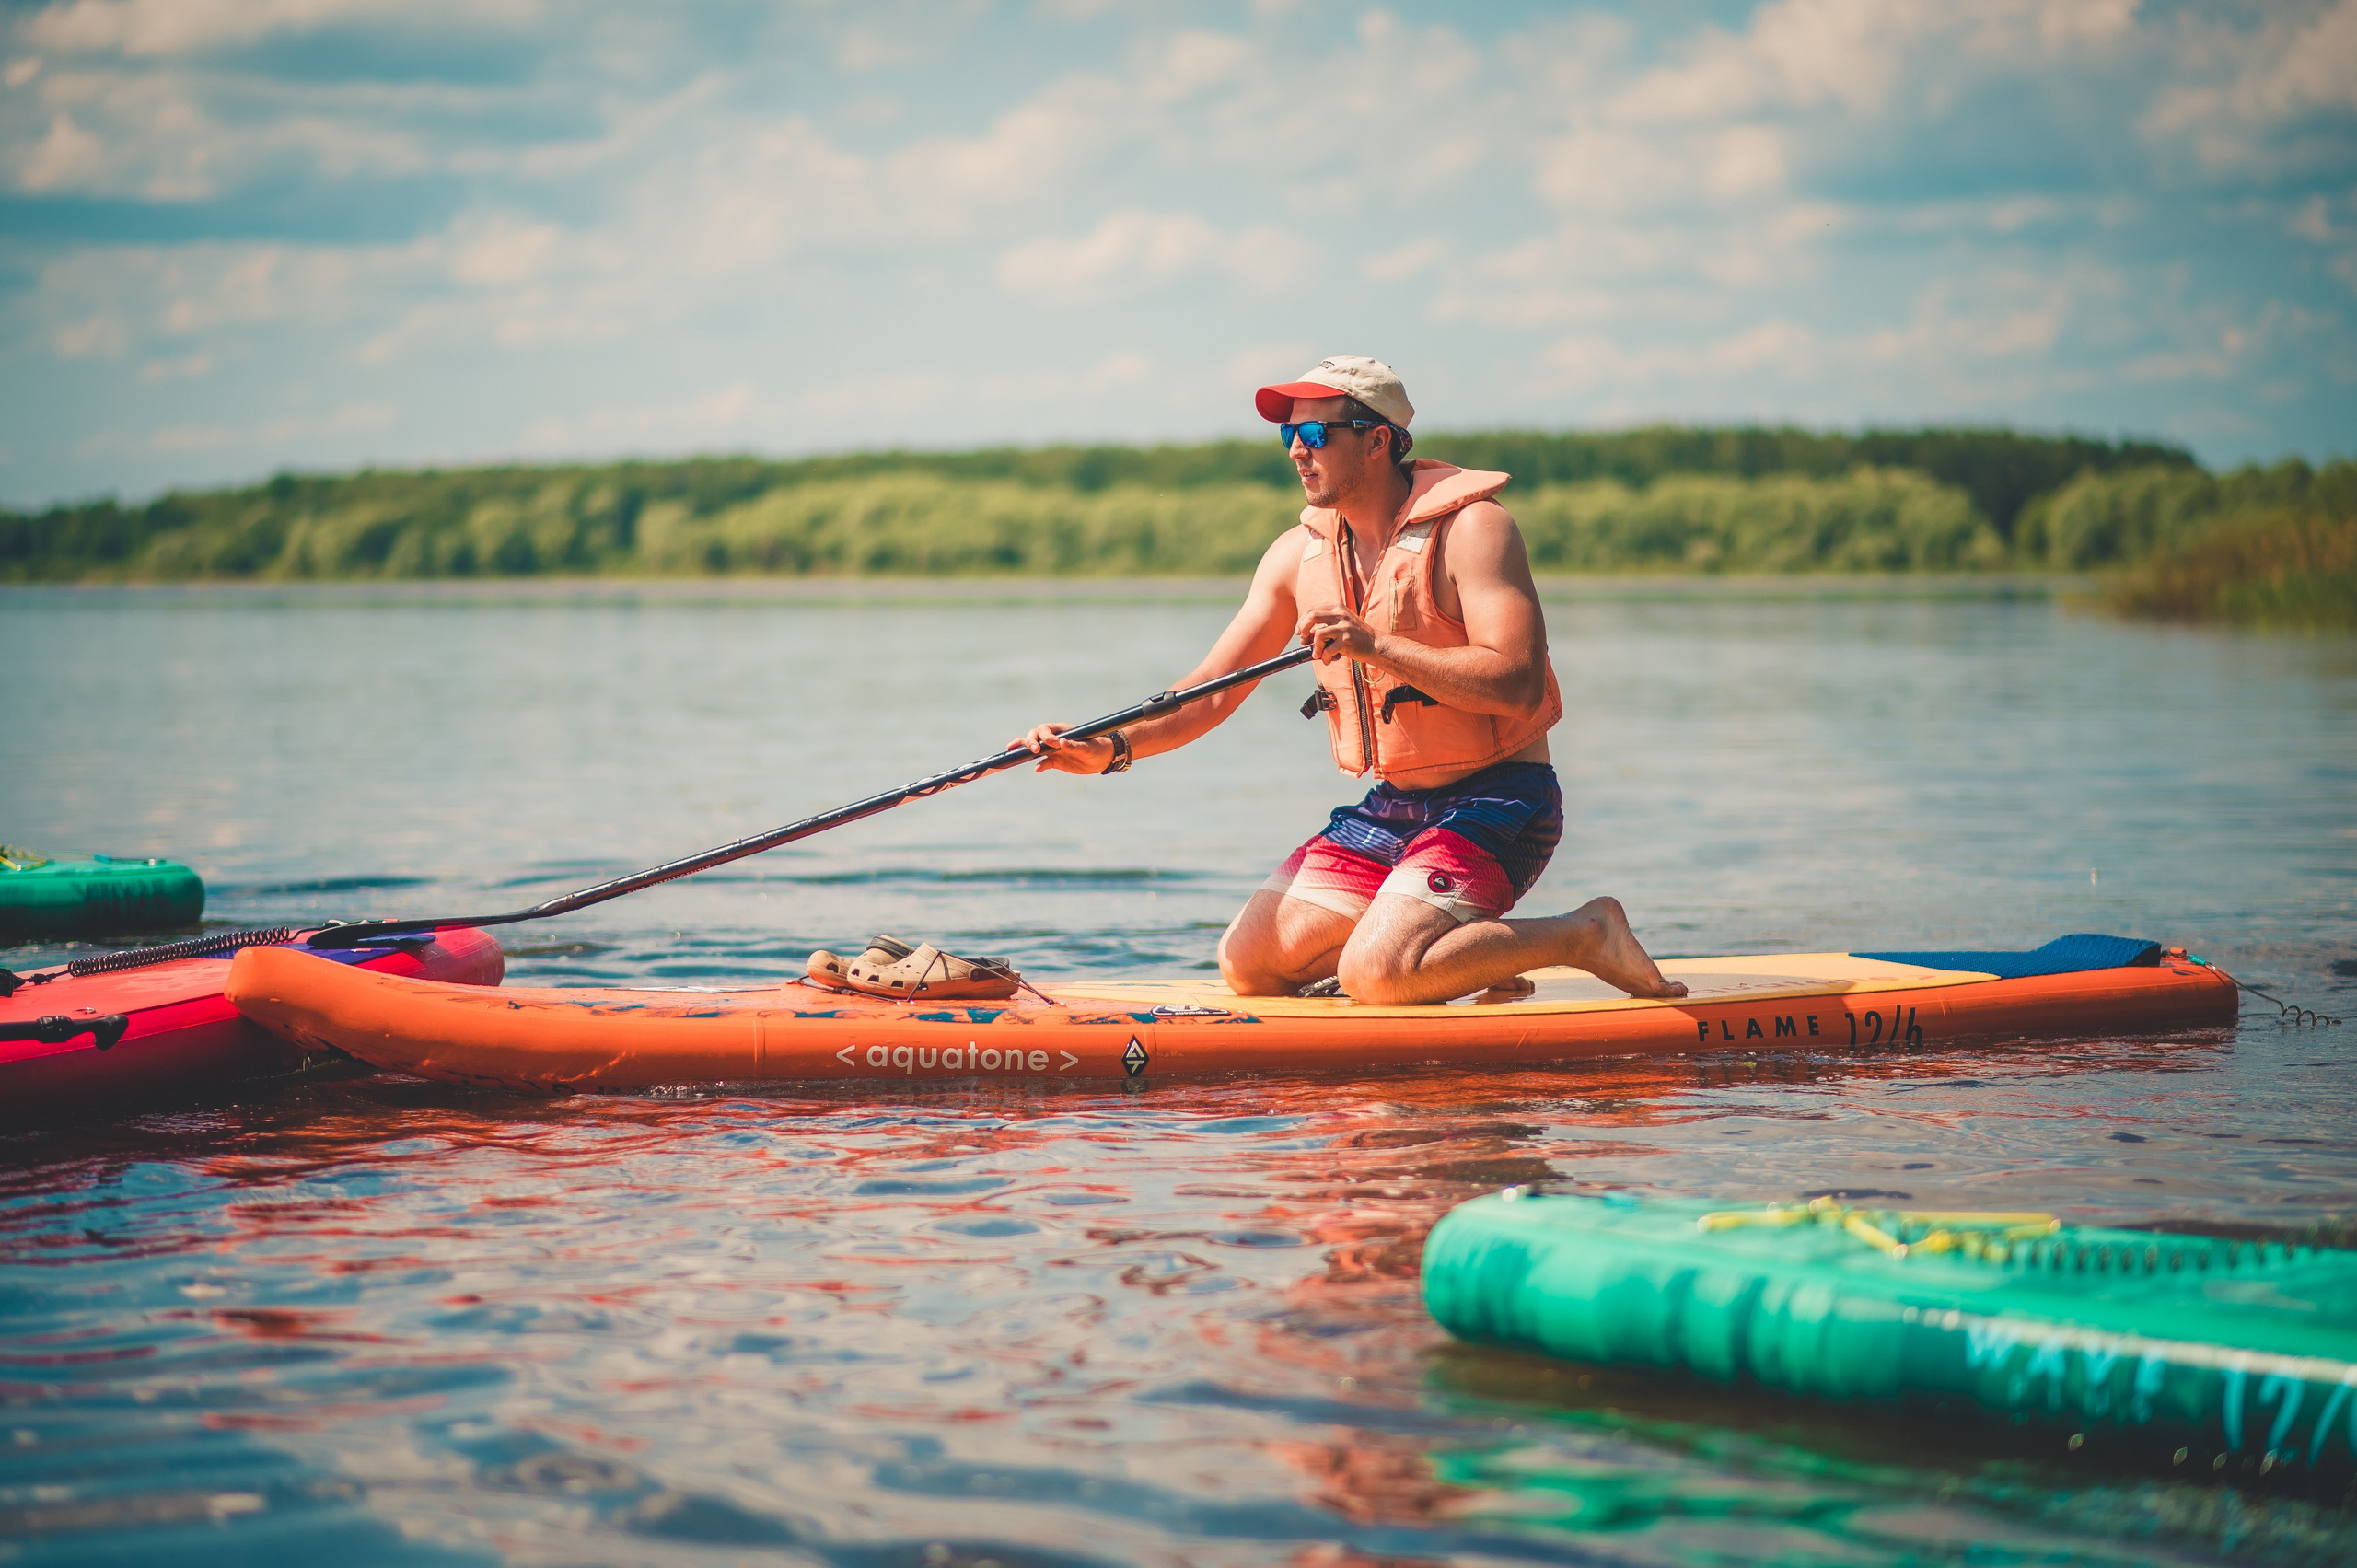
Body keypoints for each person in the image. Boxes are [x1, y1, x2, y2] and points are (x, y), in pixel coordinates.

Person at [1013, 356, 1687, 1007]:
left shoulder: (1475, 529)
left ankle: (1584, 933)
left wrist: (1378, 646)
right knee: (1249, 964)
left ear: (1378, 441)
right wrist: (1109, 748)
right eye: (1288, 434)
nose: (1295, 451)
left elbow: (1518, 684)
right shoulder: (1296, 555)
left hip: (1502, 802)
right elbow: (1212, 688)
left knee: (1378, 972)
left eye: (1315, 433)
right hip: (1394, 808)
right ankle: (1463, 954)